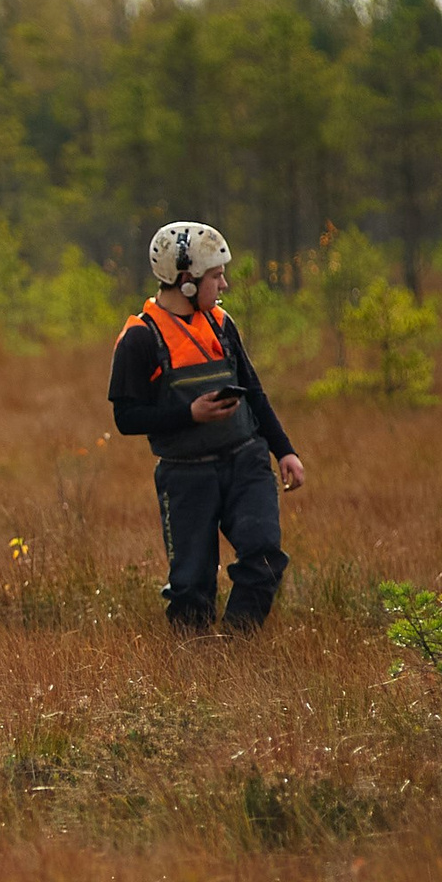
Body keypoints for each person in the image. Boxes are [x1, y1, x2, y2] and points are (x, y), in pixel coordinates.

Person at [108, 221, 306, 633]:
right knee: (191, 591)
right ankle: (194, 662)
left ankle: (234, 649)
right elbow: (126, 418)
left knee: (264, 559)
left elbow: (253, 391)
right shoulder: (140, 338)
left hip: (246, 462)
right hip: (185, 476)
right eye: (216, 276)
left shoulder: (221, 322)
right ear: (186, 281)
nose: (224, 284)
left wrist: (284, 450)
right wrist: (189, 415)